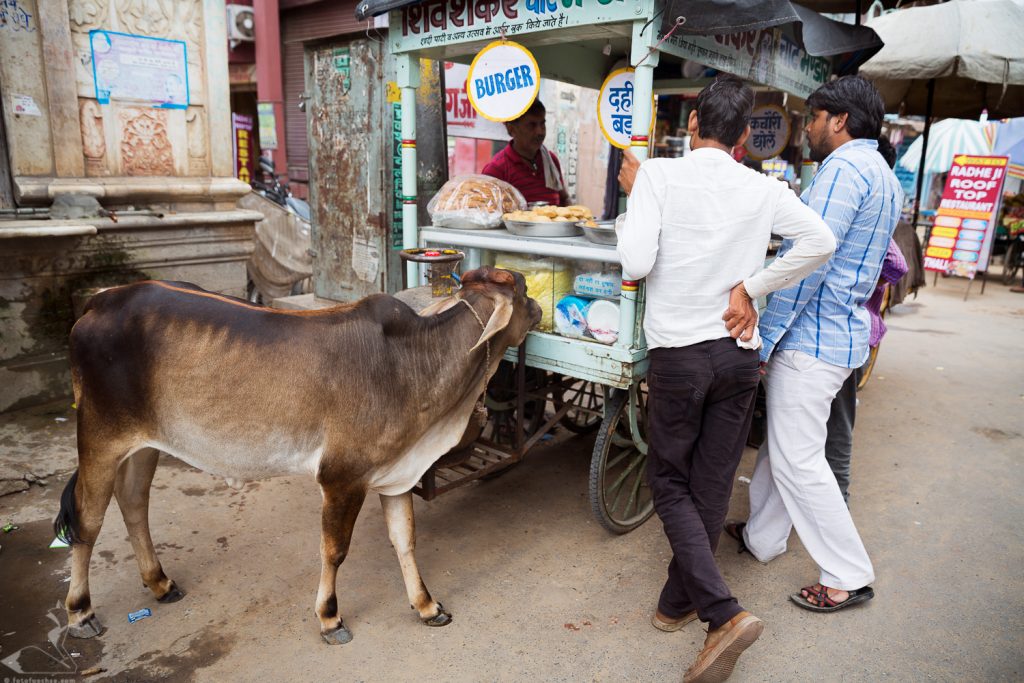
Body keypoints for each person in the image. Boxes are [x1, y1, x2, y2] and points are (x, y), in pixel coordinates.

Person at [616, 74, 835, 683]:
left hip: (681, 356)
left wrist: (633, 202)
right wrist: (752, 286)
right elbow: (821, 239)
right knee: (711, 482)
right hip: (739, 353)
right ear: (743, 137)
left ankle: (721, 613)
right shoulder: (762, 186)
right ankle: (677, 602)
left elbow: (635, 262)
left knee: (667, 479)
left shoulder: (659, 174)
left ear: (692, 125)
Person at [726, 76, 904, 613]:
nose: (807, 127)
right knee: (785, 450)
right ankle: (763, 538)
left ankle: (847, 574)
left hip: (813, 339)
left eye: (814, 117)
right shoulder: (883, 174)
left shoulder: (843, 170)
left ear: (839, 120)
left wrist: (763, 335)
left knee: (799, 459)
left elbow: (808, 263)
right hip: (838, 334)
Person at [823, 139, 909, 504]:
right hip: (848, 331)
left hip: (848, 331)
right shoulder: (882, 200)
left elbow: (898, 266)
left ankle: (838, 500)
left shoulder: (873, 208)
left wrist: (866, 269)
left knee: (838, 425)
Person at [481, 99, 569, 206]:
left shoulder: (551, 160)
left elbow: (564, 199)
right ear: (511, 129)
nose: (540, 132)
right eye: (531, 125)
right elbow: (487, 212)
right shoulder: (497, 170)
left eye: (542, 124)